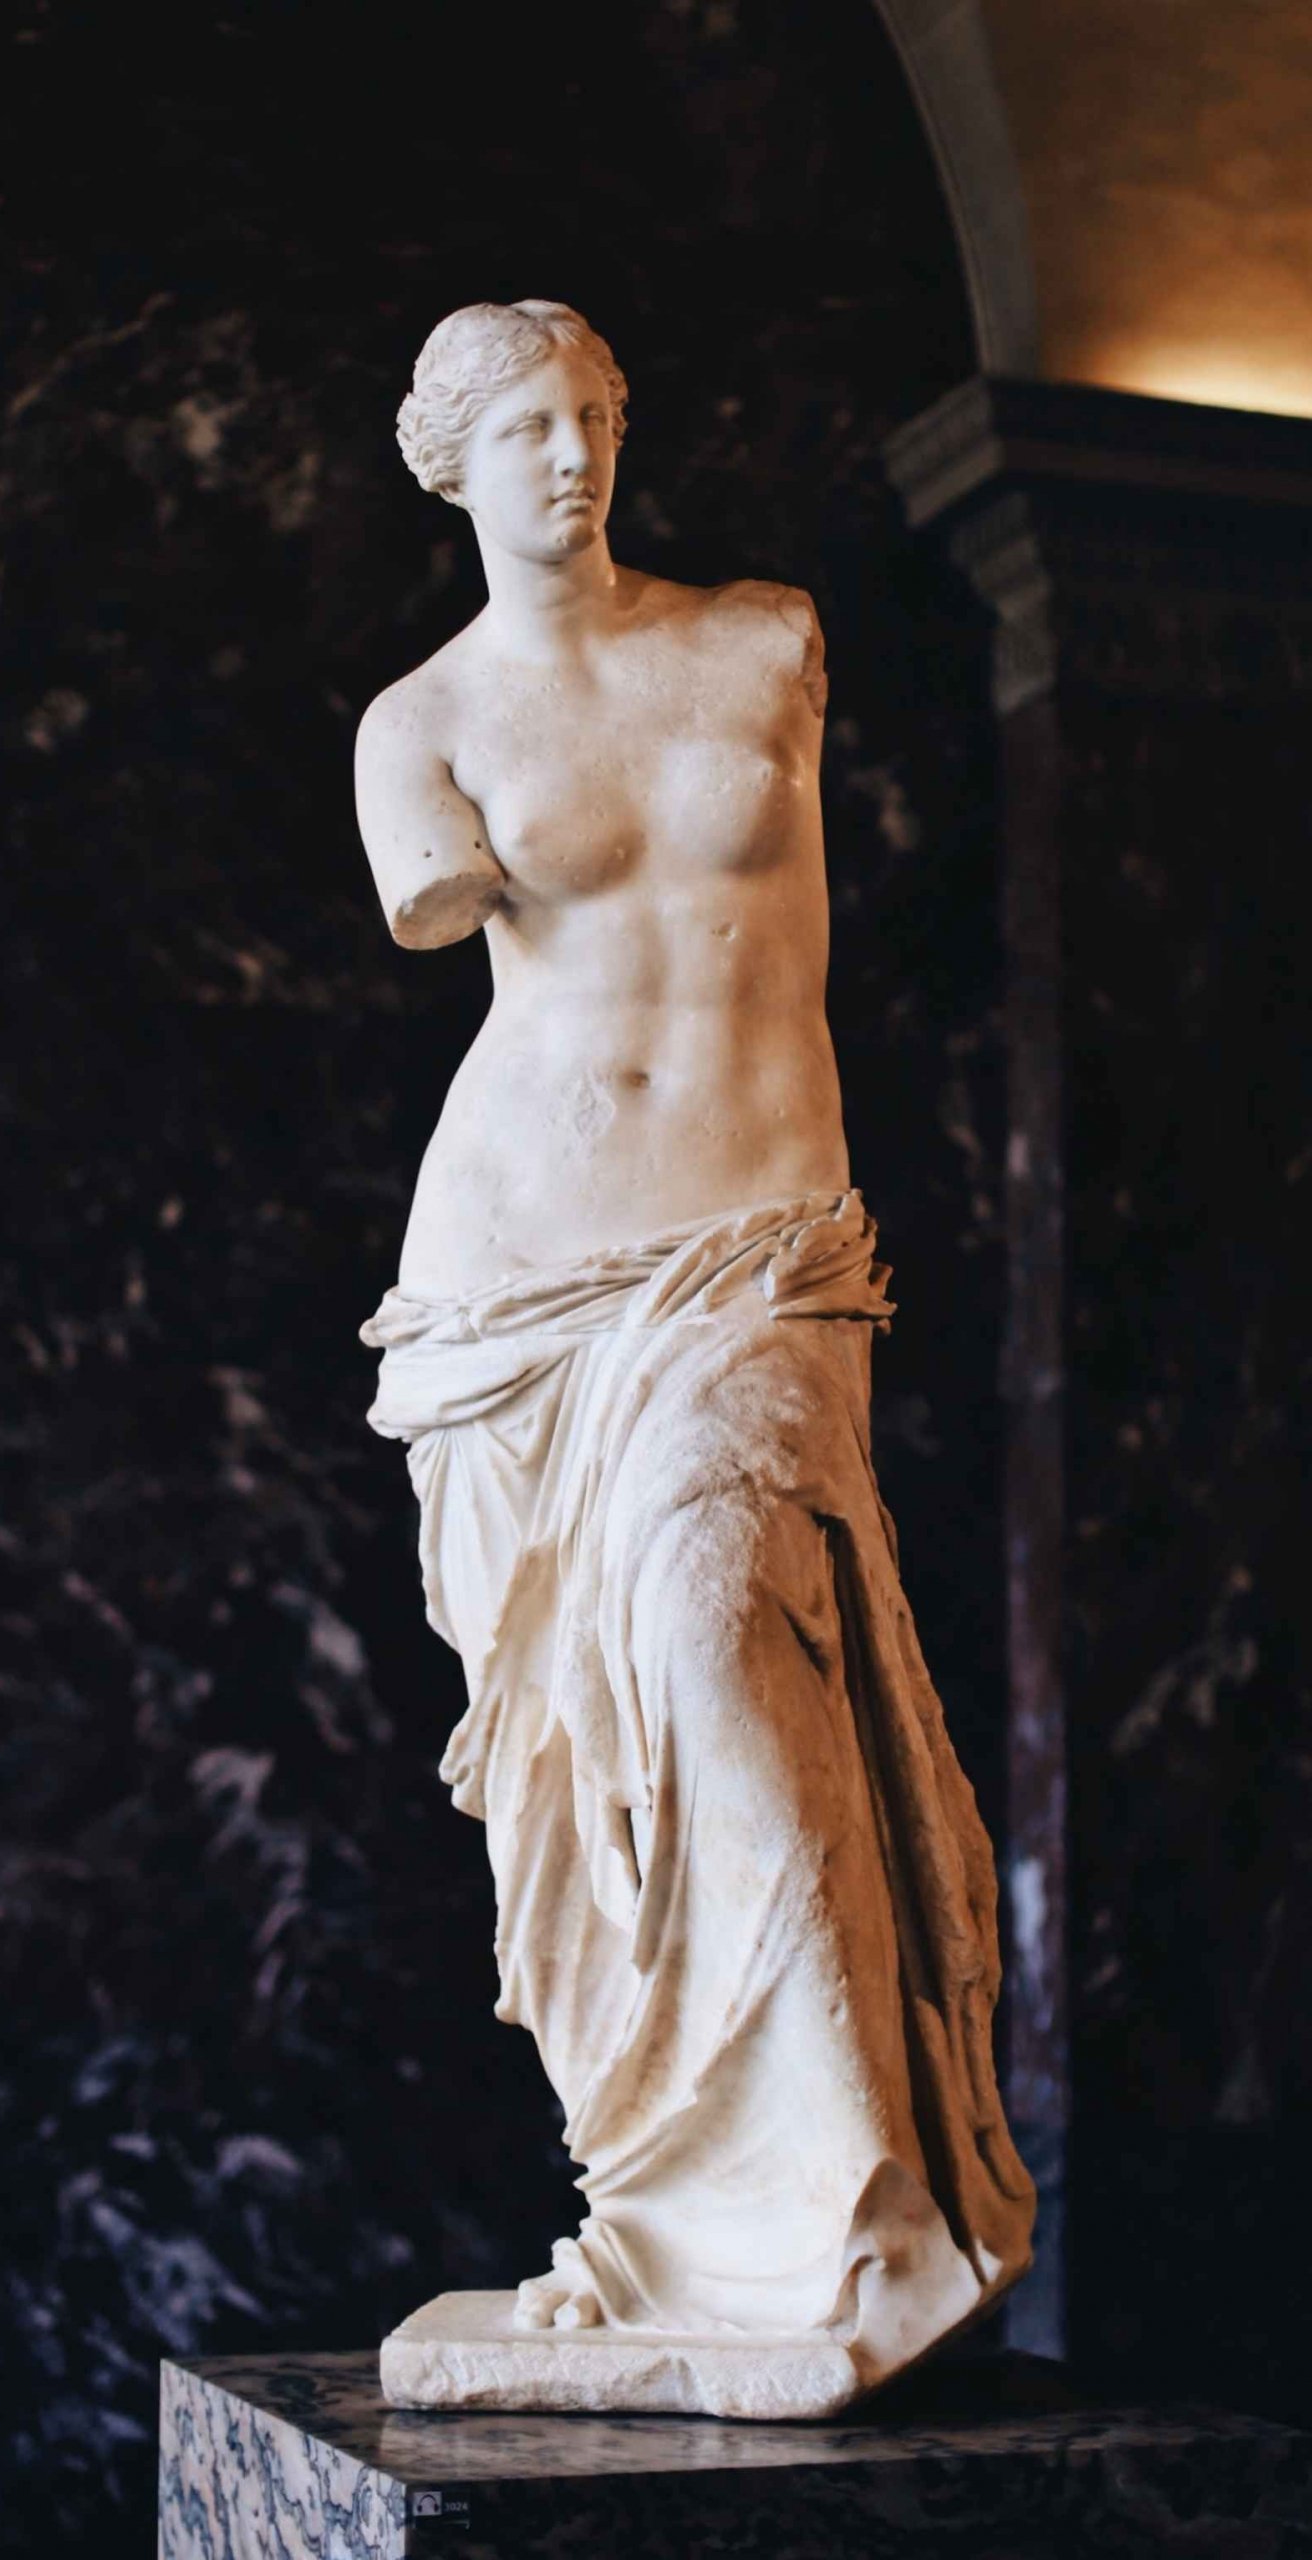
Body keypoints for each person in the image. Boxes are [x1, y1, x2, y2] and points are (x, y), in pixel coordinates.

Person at [356, 300, 1033, 2398]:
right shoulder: (420, 724)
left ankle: (858, 2212)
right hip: (521, 1280)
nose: (572, 456)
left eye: (595, 416)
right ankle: (693, 2216)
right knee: (595, 1750)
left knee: (718, 1634)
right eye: (526, 429)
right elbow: (438, 907)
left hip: (754, 1252)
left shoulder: (763, 643)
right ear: (450, 463)